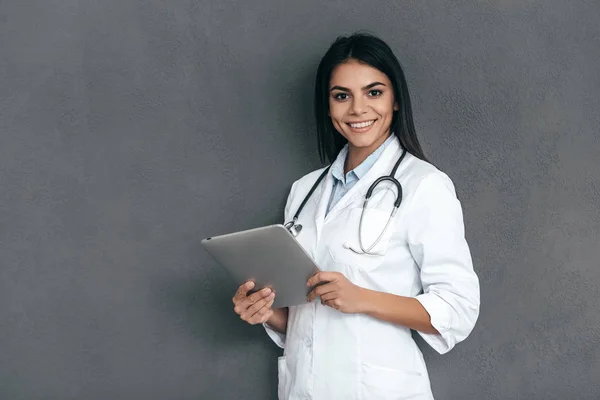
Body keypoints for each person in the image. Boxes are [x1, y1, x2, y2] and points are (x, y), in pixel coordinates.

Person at [231, 32, 480, 400]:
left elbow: (457, 309)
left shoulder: (424, 185)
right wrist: (265, 311)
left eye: (373, 92)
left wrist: (361, 297)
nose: (358, 109)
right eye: (342, 96)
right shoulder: (305, 191)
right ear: (328, 105)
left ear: (395, 100)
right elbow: (308, 320)